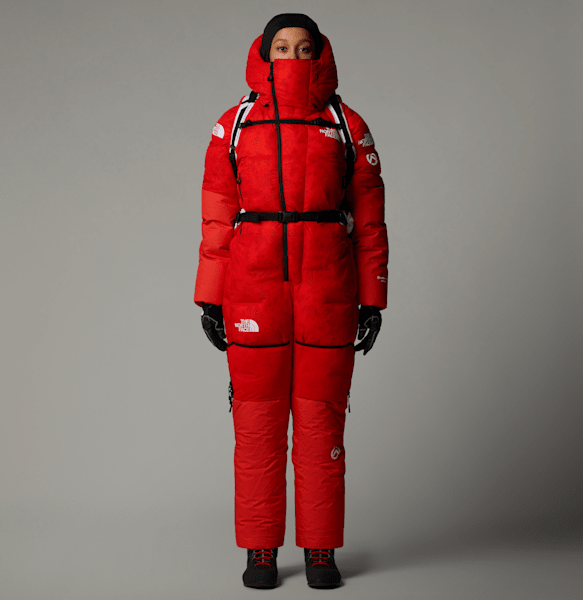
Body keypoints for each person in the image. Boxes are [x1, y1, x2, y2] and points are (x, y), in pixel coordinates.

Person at [194, 13, 388, 589]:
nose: (293, 57)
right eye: (281, 46)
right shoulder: (234, 125)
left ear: (320, 53)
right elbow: (216, 217)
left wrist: (373, 297)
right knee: (256, 425)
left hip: (328, 292)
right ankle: (261, 550)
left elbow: (370, 219)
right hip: (254, 292)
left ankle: (320, 550)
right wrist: (210, 298)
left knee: (321, 423)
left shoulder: (347, 124)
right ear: (264, 52)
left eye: (304, 48)